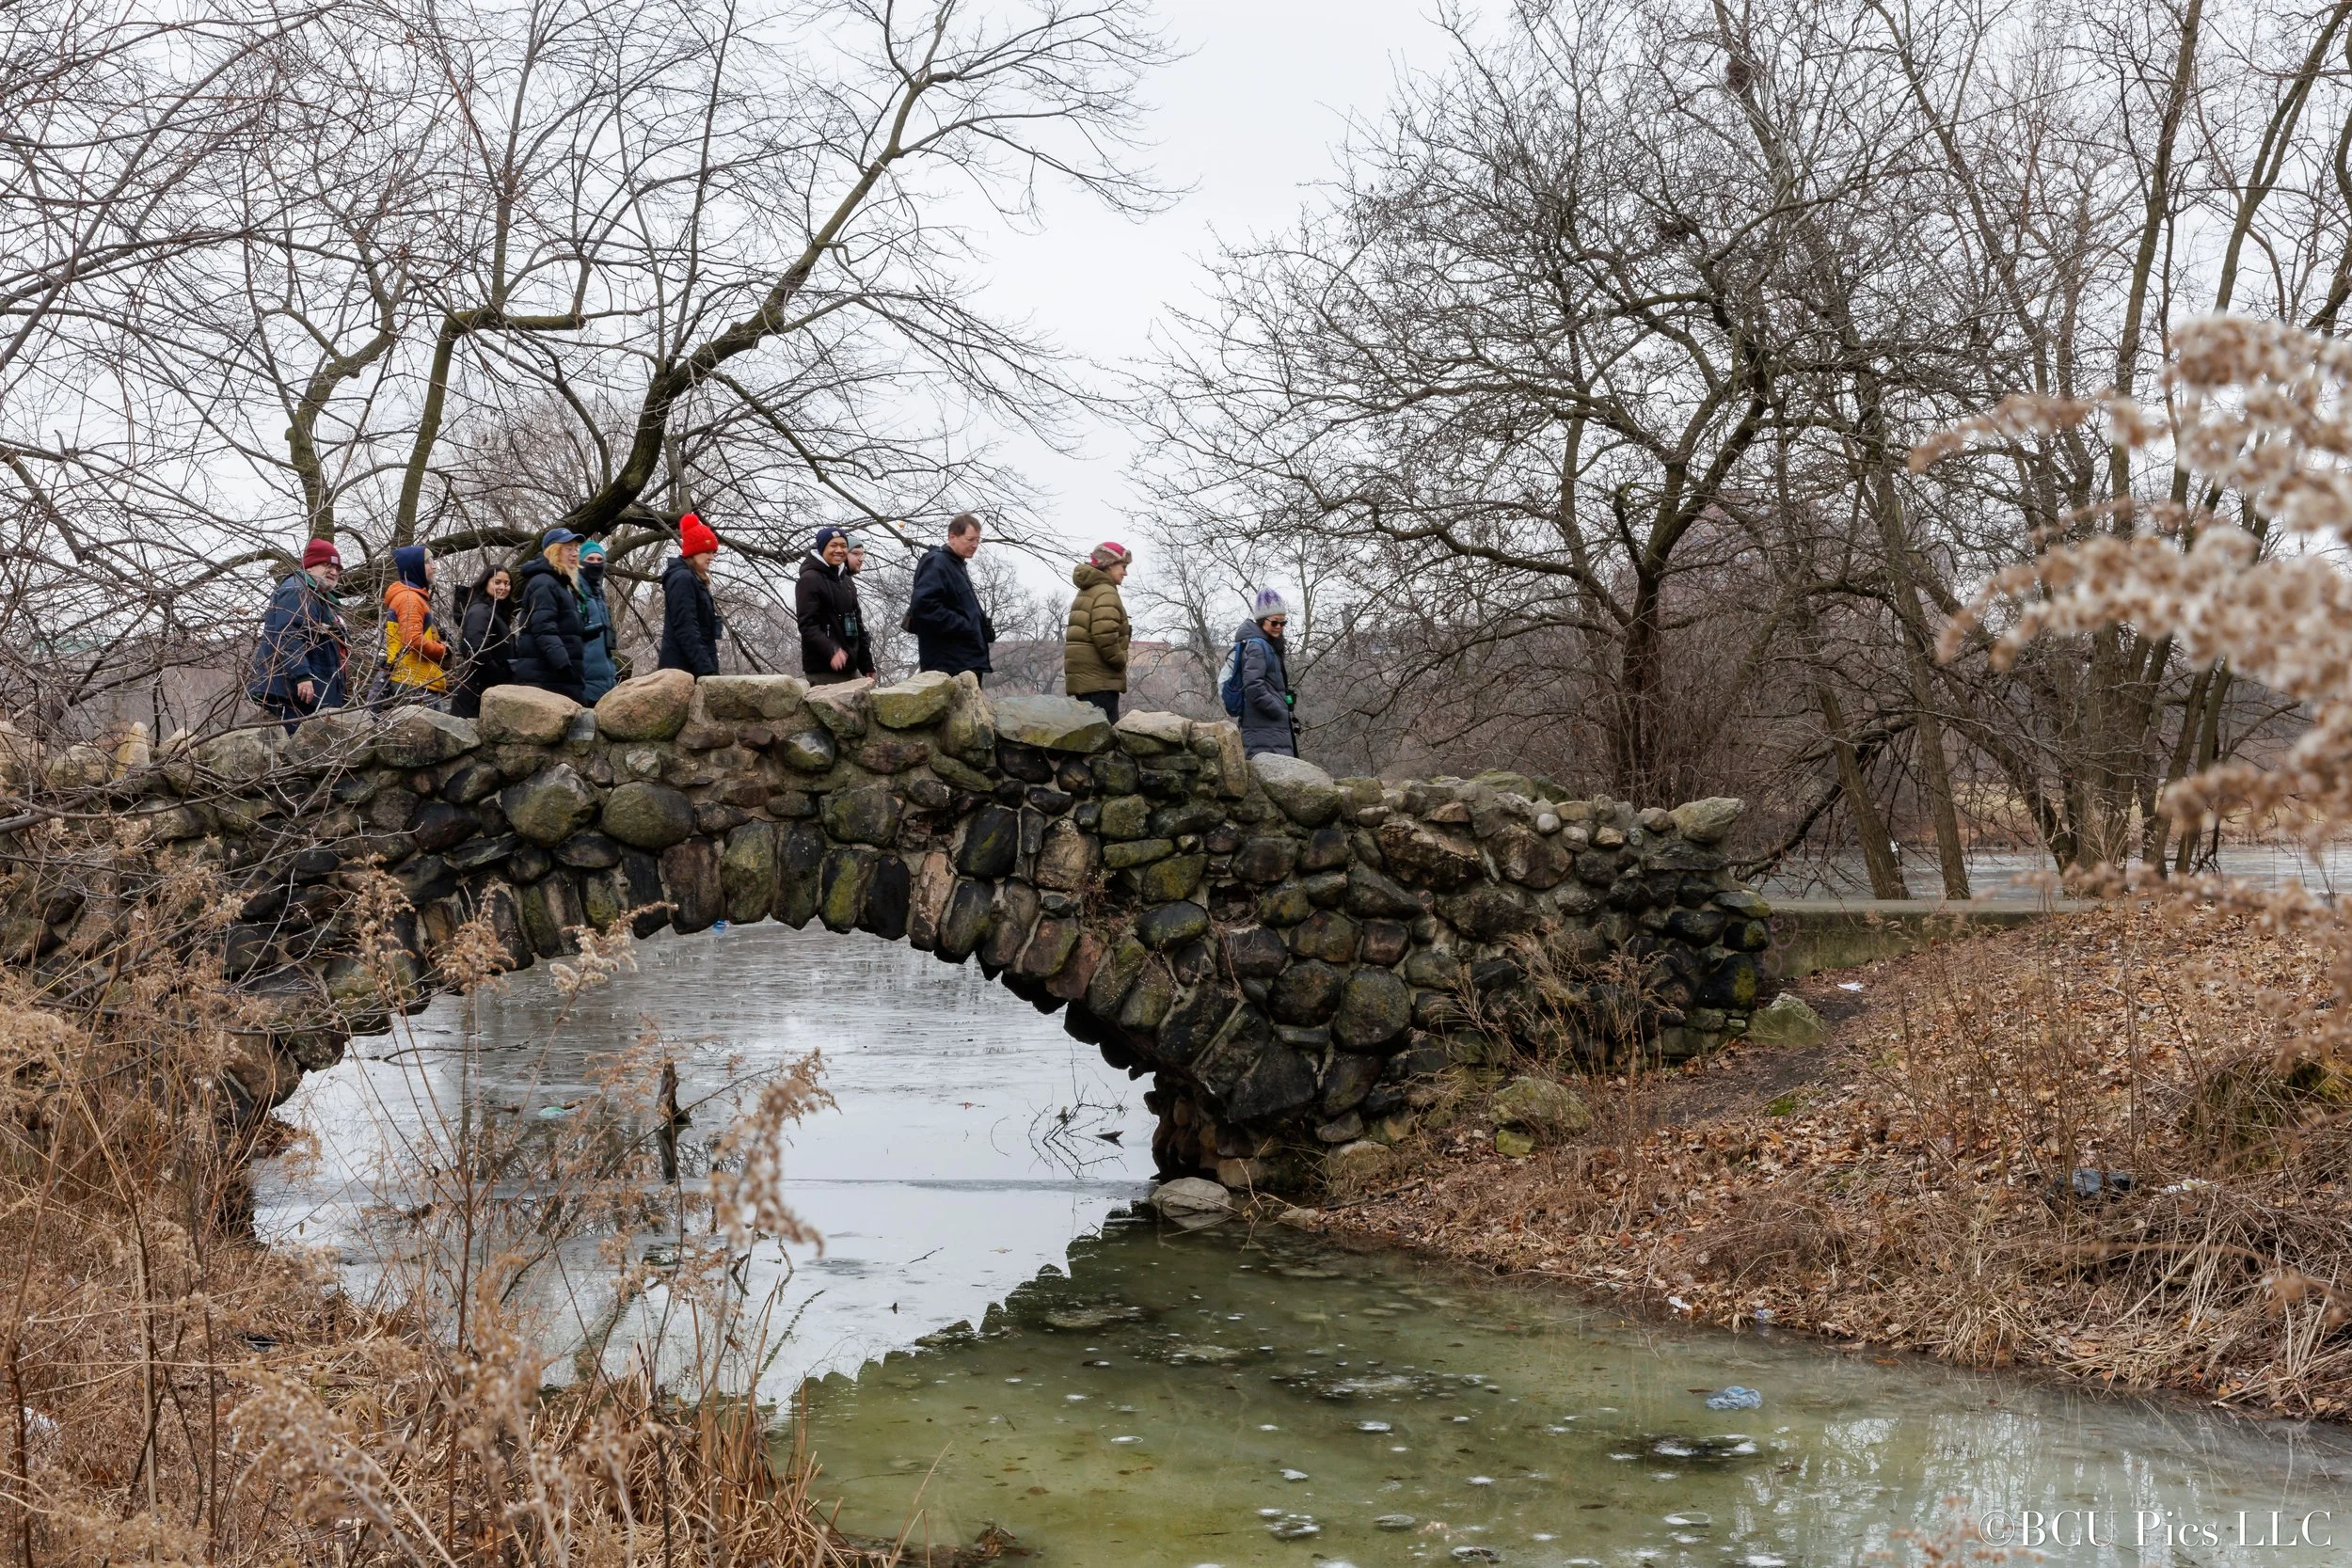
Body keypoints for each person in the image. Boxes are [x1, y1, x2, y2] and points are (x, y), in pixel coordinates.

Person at [248, 537, 350, 731]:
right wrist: (302, 676)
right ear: (310, 566)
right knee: (304, 748)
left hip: (310, 692)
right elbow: (289, 635)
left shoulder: (318, 596)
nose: (334, 572)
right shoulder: (297, 591)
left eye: (338, 569)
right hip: (295, 691)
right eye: (326, 565)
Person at [908, 512, 994, 681]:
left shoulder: (956, 565)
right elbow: (923, 607)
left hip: (965, 661)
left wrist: (981, 627)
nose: (975, 545)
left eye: (978, 540)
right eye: (970, 540)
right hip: (948, 664)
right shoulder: (937, 563)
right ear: (952, 537)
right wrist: (965, 625)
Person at [511, 528, 588, 700]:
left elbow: (561, 626)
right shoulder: (544, 583)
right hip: (547, 677)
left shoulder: (560, 584)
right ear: (553, 552)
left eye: (576, 548)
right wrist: (564, 665)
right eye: (568, 548)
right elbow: (543, 628)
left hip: (555, 677)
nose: (575, 554)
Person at [1063, 541, 1133, 721]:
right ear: (1109, 565)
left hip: (1085, 681)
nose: (1125, 572)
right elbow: (1105, 635)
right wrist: (1120, 661)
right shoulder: (1106, 592)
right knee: (1105, 742)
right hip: (1100, 681)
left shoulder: (1089, 590)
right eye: (1123, 567)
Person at [796, 525, 873, 685]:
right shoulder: (810, 579)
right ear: (822, 547)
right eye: (833, 545)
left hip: (850, 668)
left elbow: (858, 625)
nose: (839, 550)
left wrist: (867, 665)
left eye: (843, 546)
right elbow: (807, 625)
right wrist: (832, 650)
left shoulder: (847, 581)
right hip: (823, 670)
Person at [1226, 589, 1296, 759]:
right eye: (1274, 622)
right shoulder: (1257, 647)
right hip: (1264, 731)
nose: (1279, 627)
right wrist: (1278, 709)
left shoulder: (1268, 646)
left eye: (1283, 622)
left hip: (1270, 732)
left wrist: (1285, 700)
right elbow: (1253, 687)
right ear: (1261, 621)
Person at [378, 544, 447, 707]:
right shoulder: (410, 599)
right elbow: (413, 640)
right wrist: (442, 649)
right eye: (428, 561)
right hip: (414, 683)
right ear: (415, 566)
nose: (434, 566)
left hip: (416, 680)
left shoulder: (413, 597)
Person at [659, 512, 723, 676]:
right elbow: (686, 628)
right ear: (693, 552)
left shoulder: (694, 579)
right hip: (684, 672)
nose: (712, 557)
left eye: (713, 552)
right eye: (707, 552)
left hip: (690, 668)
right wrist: (706, 671)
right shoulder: (683, 579)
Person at [450, 564, 516, 719]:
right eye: (497, 582)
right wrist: (500, 674)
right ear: (486, 583)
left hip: (486, 690)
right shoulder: (480, 611)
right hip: (476, 691)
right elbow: (475, 650)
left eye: (507, 583)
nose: (503, 587)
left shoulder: (496, 613)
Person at [577, 537, 620, 702]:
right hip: (585, 686)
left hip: (606, 684)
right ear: (580, 562)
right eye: (590, 559)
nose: (595, 563)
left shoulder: (599, 596)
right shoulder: (575, 593)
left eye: (599, 560)